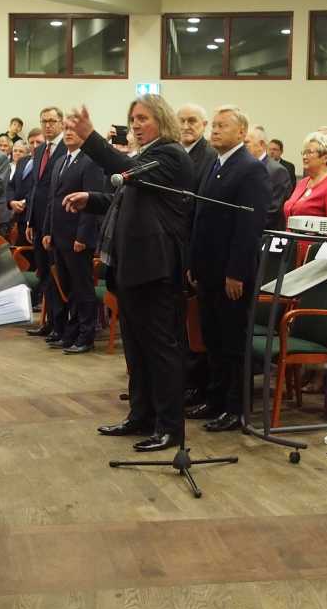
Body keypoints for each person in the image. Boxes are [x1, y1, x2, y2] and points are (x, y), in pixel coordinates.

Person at [63, 96, 193, 452]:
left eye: (143, 118)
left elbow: (127, 171)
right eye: (132, 118)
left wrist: (90, 137)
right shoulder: (146, 156)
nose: (135, 124)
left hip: (155, 268)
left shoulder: (169, 155)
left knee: (160, 350)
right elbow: (126, 198)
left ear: (162, 120)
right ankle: (141, 416)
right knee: (136, 349)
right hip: (132, 266)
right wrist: (91, 198)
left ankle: (170, 428)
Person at [185, 106, 269, 433]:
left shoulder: (250, 168)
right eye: (215, 125)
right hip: (207, 269)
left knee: (232, 342)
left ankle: (235, 408)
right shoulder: (214, 163)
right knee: (212, 339)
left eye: (223, 126)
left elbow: (249, 226)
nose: (215, 130)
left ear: (241, 132)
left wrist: (236, 272)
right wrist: (193, 263)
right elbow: (200, 217)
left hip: (232, 273)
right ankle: (215, 398)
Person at [42, 118, 106, 354]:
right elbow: (53, 200)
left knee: (82, 288)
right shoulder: (61, 160)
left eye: (74, 130)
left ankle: (86, 335)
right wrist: (47, 230)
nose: (69, 133)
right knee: (66, 288)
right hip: (59, 234)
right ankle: (71, 333)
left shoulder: (91, 161)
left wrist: (83, 236)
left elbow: (92, 201)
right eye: (66, 129)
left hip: (77, 237)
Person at [22, 109, 63, 336]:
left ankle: (61, 325)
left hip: (56, 222)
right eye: (44, 121)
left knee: (58, 276)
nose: (48, 125)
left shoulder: (67, 148)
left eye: (52, 121)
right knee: (45, 274)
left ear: (61, 123)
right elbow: (34, 189)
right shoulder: (39, 150)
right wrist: (29, 221)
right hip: (37, 221)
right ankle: (50, 322)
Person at [283, 132, 327, 221]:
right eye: (303, 153)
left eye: (309, 152)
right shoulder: (303, 183)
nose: (304, 157)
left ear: (325, 158)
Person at [248, 125, 292, 230]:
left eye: (246, 142)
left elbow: (273, 210)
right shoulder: (245, 166)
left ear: (261, 144)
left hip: (265, 232)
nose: (242, 146)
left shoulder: (277, 171)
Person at [175, 103, 218, 180]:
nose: (185, 127)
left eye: (192, 121)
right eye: (182, 121)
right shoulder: (170, 151)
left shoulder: (212, 156)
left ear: (204, 125)